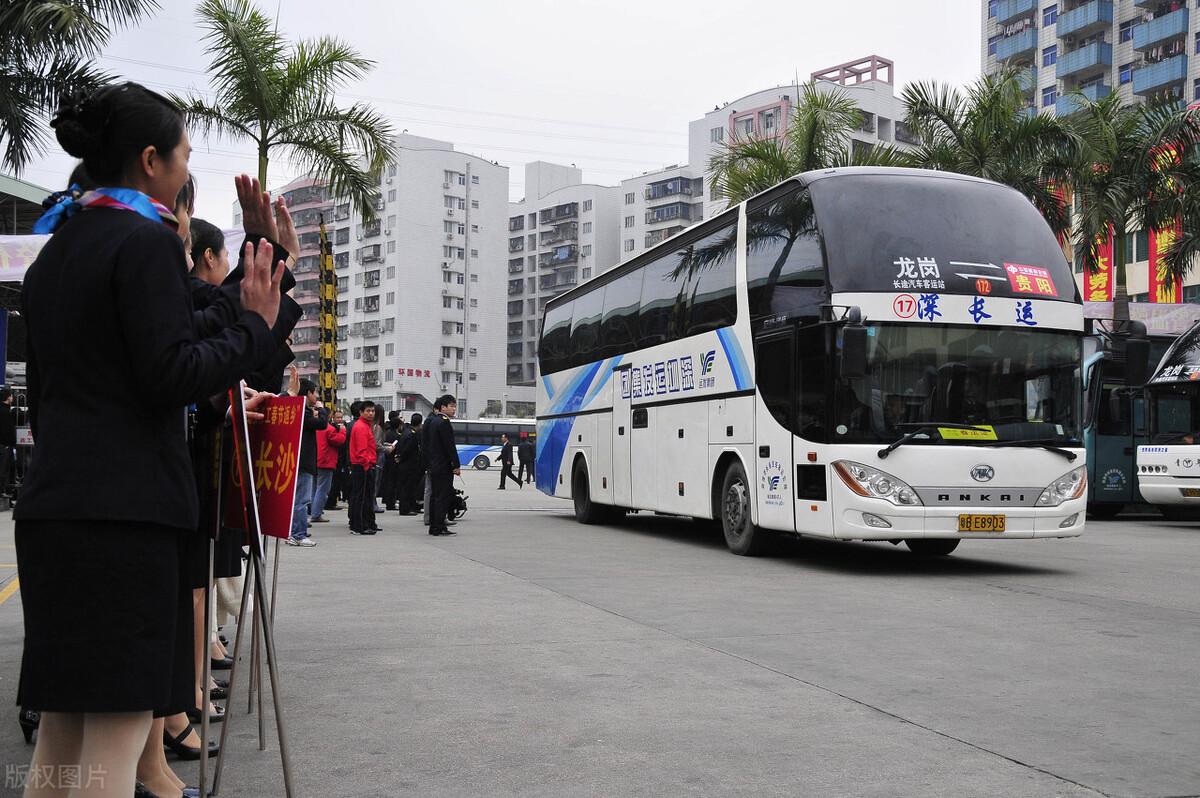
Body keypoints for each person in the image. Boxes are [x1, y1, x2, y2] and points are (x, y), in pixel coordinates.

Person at [16, 82, 283, 798]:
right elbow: (172, 369)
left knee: (61, 741)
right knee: (112, 741)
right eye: (183, 155)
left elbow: (53, 395)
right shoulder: (143, 242)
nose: (184, 169)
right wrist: (255, 329)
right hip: (123, 518)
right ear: (149, 161)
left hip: (54, 513)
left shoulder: (57, 251)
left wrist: (256, 274)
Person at [287, 378, 327, 547]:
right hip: (303, 461)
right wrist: (321, 410)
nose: (316, 396)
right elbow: (322, 424)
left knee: (298, 499)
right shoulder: (303, 411)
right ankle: (298, 534)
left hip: (297, 459)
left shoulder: (297, 408)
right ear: (308, 393)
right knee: (301, 500)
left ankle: (296, 531)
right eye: (315, 392)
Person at [423, 395, 460, 536]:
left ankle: (434, 526)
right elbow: (449, 446)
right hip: (443, 466)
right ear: (443, 407)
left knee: (434, 496)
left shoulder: (432, 421)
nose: (454, 409)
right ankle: (439, 526)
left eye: (454, 406)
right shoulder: (444, 422)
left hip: (433, 464)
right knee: (442, 497)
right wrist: (456, 464)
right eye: (451, 406)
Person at [348, 403, 379, 535]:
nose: (371, 413)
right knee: (361, 497)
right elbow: (361, 451)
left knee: (364, 496)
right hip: (362, 466)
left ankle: (367, 523)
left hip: (364, 465)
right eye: (368, 411)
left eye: (372, 411)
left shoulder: (365, 426)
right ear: (361, 412)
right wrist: (367, 465)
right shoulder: (361, 427)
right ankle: (359, 526)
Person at [311, 407, 346, 523]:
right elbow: (340, 440)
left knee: (314, 488)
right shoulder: (329, 428)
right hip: (326, 462)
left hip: (314, 460)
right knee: (323, 489)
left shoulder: (312, 427)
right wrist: (342, 430)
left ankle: (313, 511)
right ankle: (316, 514)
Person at [394, 413, 424, 515]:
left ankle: (410, 507)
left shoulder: (406, 431)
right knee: (407, 488)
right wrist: (401, 457)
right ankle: (405, 509)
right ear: (420, 424)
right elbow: (407, 450)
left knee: (406, 487)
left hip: (404, 465)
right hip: (408, 465)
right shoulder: (412, 435)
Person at [381, 411, 402, 510]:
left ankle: (387, 500)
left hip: (386, 460)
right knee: (393, 483)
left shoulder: (386, 433)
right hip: (393, 460)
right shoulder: (397, 436)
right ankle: (391, 503)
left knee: (388, 481)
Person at [0, 387, 15, 500]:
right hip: (4, 445)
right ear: (8, 397)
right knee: (3, 469)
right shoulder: (5, 412)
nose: (12, 397)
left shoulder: (4, 410)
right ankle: (1, 492)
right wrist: (9, 443)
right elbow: (6, 430)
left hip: (4, 444)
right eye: (11, 395)